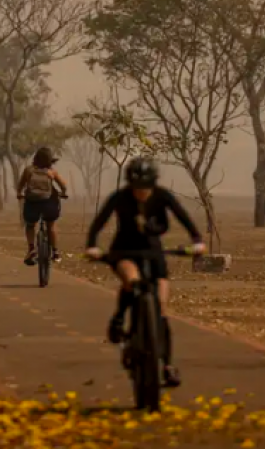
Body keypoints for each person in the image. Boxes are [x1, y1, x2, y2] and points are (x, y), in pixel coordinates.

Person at [84, 156, 206, 389]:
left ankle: (167, 366)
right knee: (133, 281)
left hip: (153, 253)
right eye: (137, 188)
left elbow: (183, 218)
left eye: (146, 188)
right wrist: (92, 246)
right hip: (124, 250)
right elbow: (99, 222)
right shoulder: (119, 198)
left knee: (161, 309)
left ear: (153, 183)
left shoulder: (162, 196)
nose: (141, 192)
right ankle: (119, 317)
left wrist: (197, 241)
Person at [15, 147, 69, 265]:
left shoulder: (28, 170)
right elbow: (63, 186)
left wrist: (19, 194)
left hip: (32, 203)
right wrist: (64, 194)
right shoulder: (52, 172)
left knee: (30, 225)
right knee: (51, 224)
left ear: (35, 158)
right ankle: (55, 252)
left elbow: (20, 186)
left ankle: (31, 249)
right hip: (48, 203)